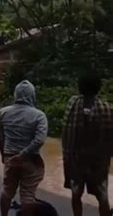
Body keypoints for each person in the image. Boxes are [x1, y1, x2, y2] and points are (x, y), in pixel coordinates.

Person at [62, 74, 113, 216]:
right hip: (98, 163)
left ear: (80, 87)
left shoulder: (73, 104)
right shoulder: (106, 108)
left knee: (76, 193)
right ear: (99, 88)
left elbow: (68, 134)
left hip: (76, 160)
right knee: (102, 196)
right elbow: (110, 137)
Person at [0, 80, 48, 216]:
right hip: (31, 160)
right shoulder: (39, 116)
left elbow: (0, 137)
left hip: (10, 157)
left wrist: (4, 155)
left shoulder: (3, 112)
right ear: (32, 95)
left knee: (7, 190)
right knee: (27, 195)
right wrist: (23, 155)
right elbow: (39, 140)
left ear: (16, 95)